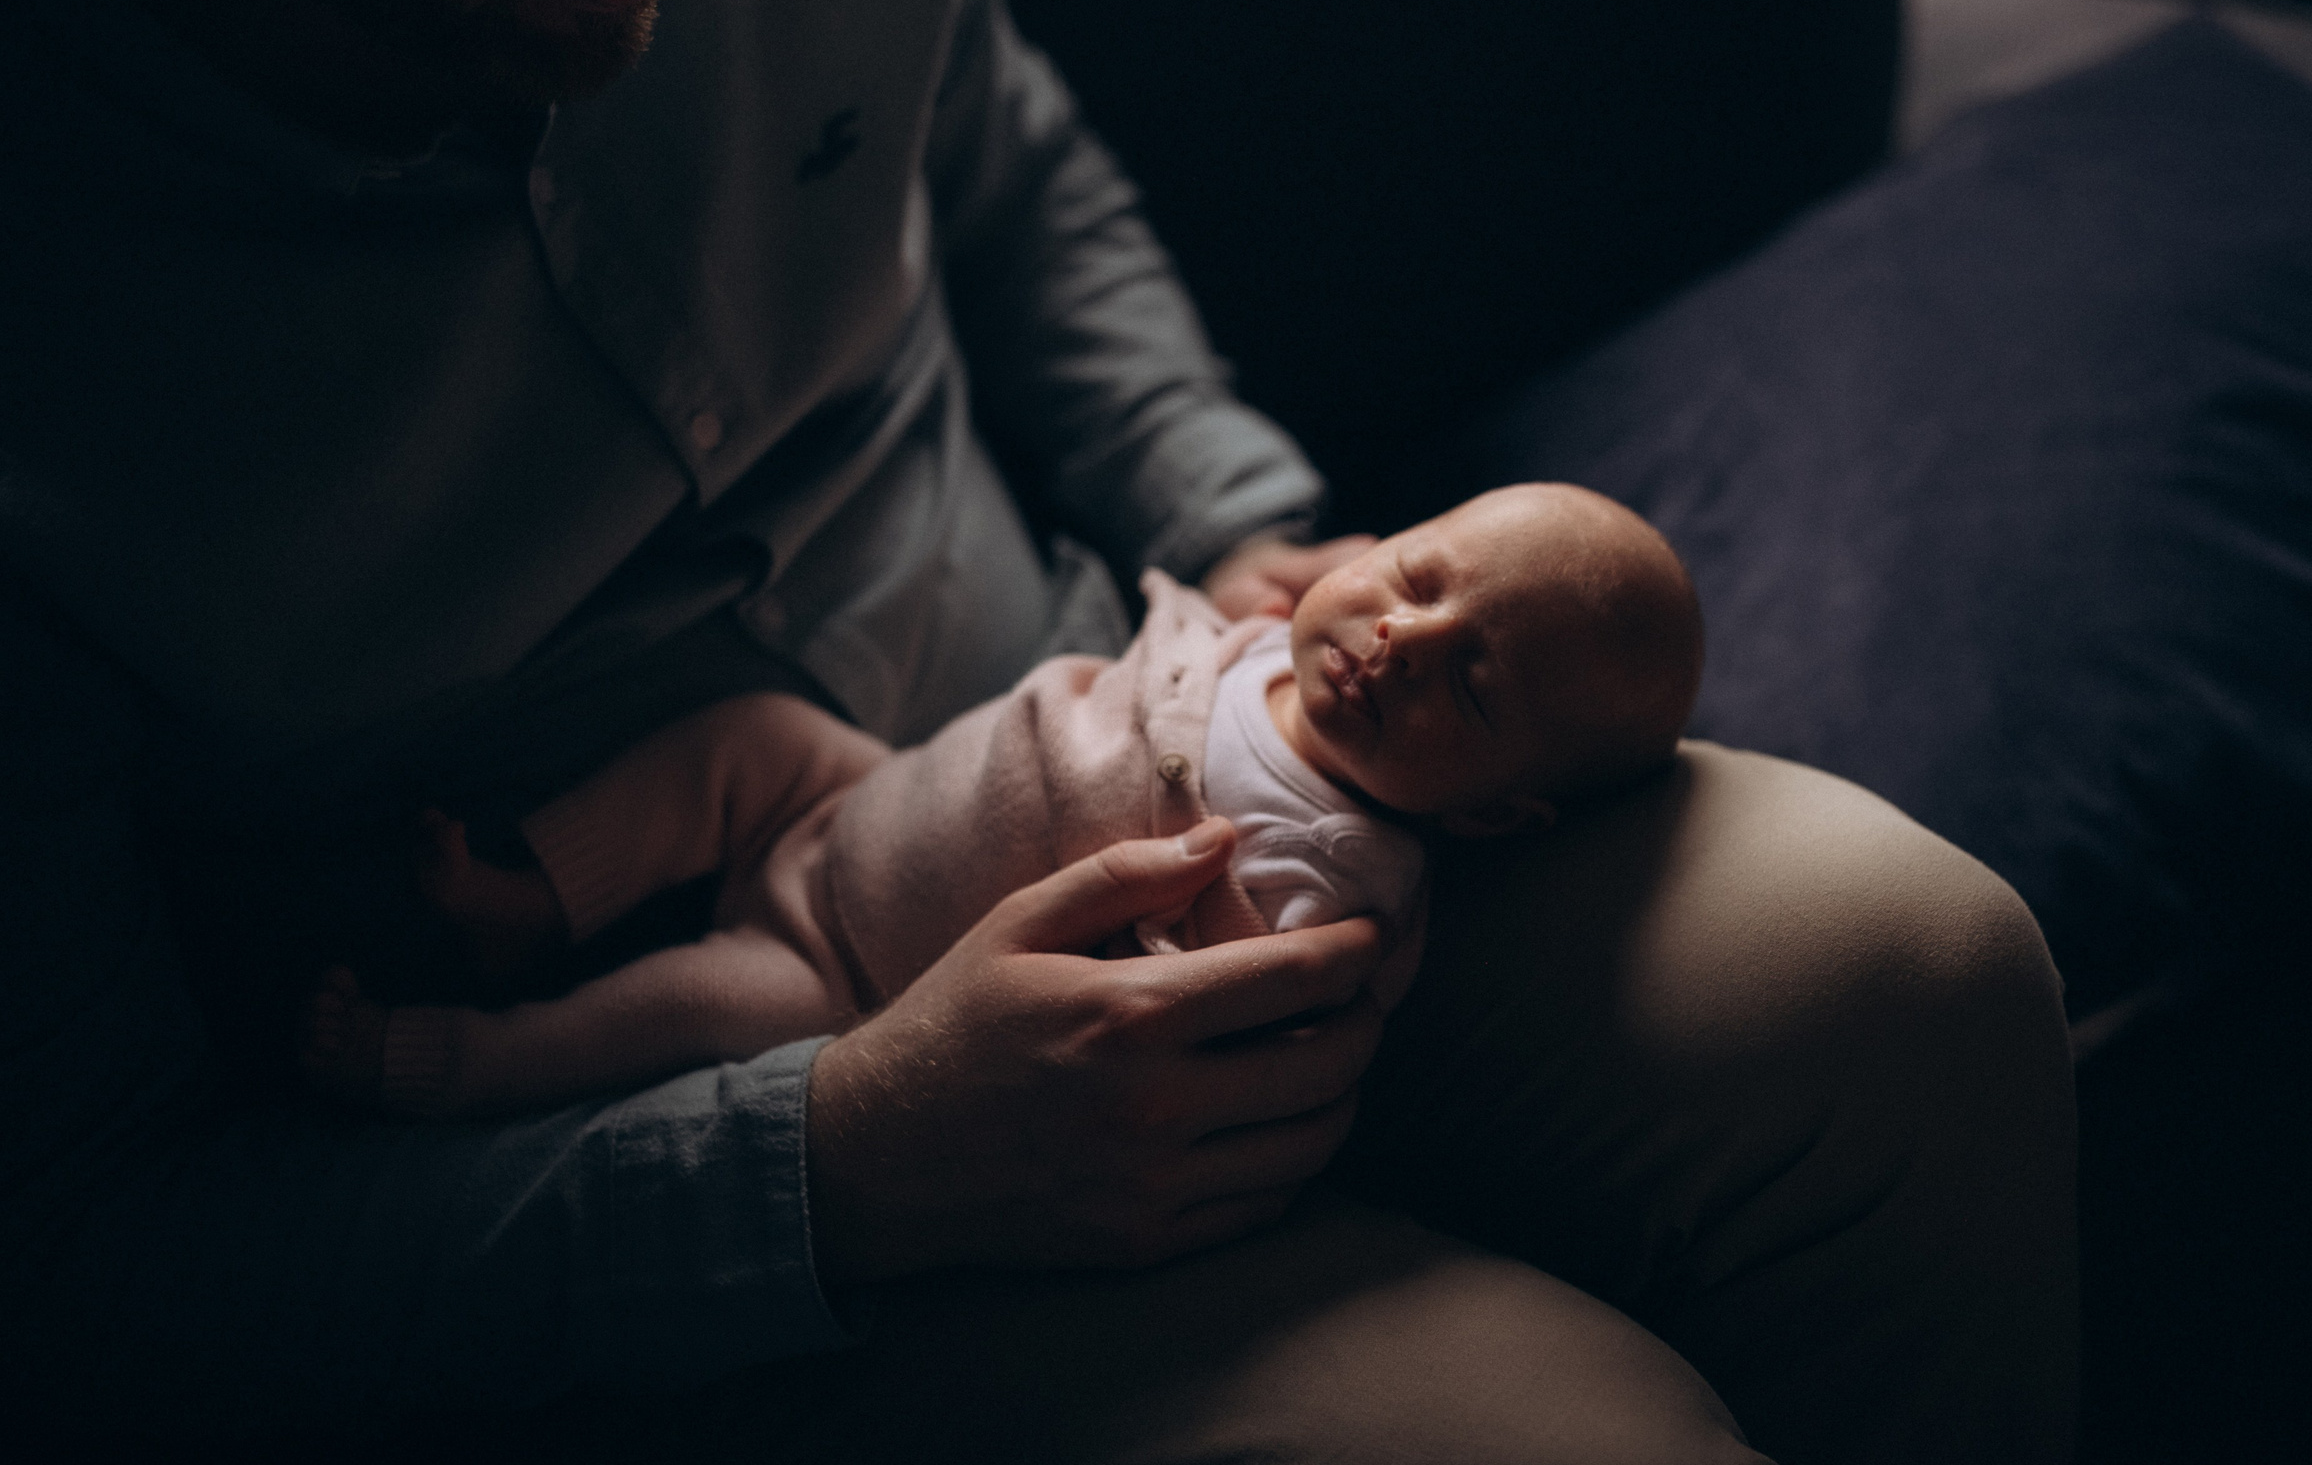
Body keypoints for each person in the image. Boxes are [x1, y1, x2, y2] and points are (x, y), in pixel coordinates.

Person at [0, 0, 2077, 1465]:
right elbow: (84, 1278)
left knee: (1904, 965)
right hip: (682, 1112)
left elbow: (1009, 180)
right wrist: (828, 1168)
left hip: (1140, 732)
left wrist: (1228, 516)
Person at [299, 483, 1705, 1120]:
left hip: (855, 979)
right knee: (745, 736)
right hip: (862, 792)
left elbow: (1208, 1023)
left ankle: (453, 1057)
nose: (1399, 638)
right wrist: (1219, 583)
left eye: (1469, 686)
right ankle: (532, 899)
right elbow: (1200, 616)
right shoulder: (1271, 638)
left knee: (675, 1017)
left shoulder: (1325, 876)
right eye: (1416, 574)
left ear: (1491, 816)